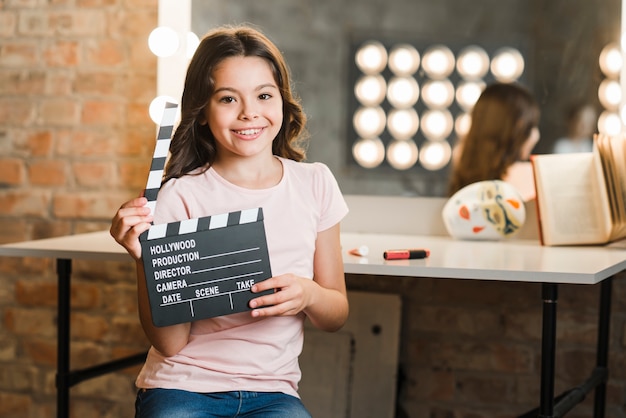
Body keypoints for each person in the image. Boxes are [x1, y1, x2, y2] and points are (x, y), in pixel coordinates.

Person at [110, 25, 349, 418]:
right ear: (202, 113)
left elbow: (336, 313)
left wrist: (308, 295)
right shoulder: (180, 195)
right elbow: (170, 344)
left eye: (264, 95)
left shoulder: (316, 184)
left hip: (273, 393)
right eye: (227, 98)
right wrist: (147, 259)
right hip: (183, 386)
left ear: (283, 103)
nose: (249, 112)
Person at [448, 82, 541, 201]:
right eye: (531, 126)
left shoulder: (461, 169)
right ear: (518, 125)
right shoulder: (528, 176)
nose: (536, 136)